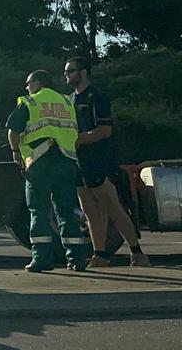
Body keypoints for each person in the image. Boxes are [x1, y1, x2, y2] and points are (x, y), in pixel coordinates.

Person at [65, 56, 151, 268]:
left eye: (70, 71)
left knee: (112, 206)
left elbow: (104, 131)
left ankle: (137, 252)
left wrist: (78, 139)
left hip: (99, 161)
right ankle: (100, 255)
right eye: (66, 72)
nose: (66, 75)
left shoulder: (97, 97)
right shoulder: (70, 100)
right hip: (79, 163)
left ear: (83, 72)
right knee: (90, 211)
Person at [6, 69, 89, 272]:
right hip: (66, 161)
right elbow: (79, 131)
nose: (27, 87)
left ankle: (41, 259)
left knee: (39, 211)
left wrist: (16, 152)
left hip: (39, 162)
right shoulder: (66, 102)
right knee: (67, 211)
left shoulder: (30, 102)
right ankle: (77, 260)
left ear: (38, 83)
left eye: (29, 83)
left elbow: (13, 131)